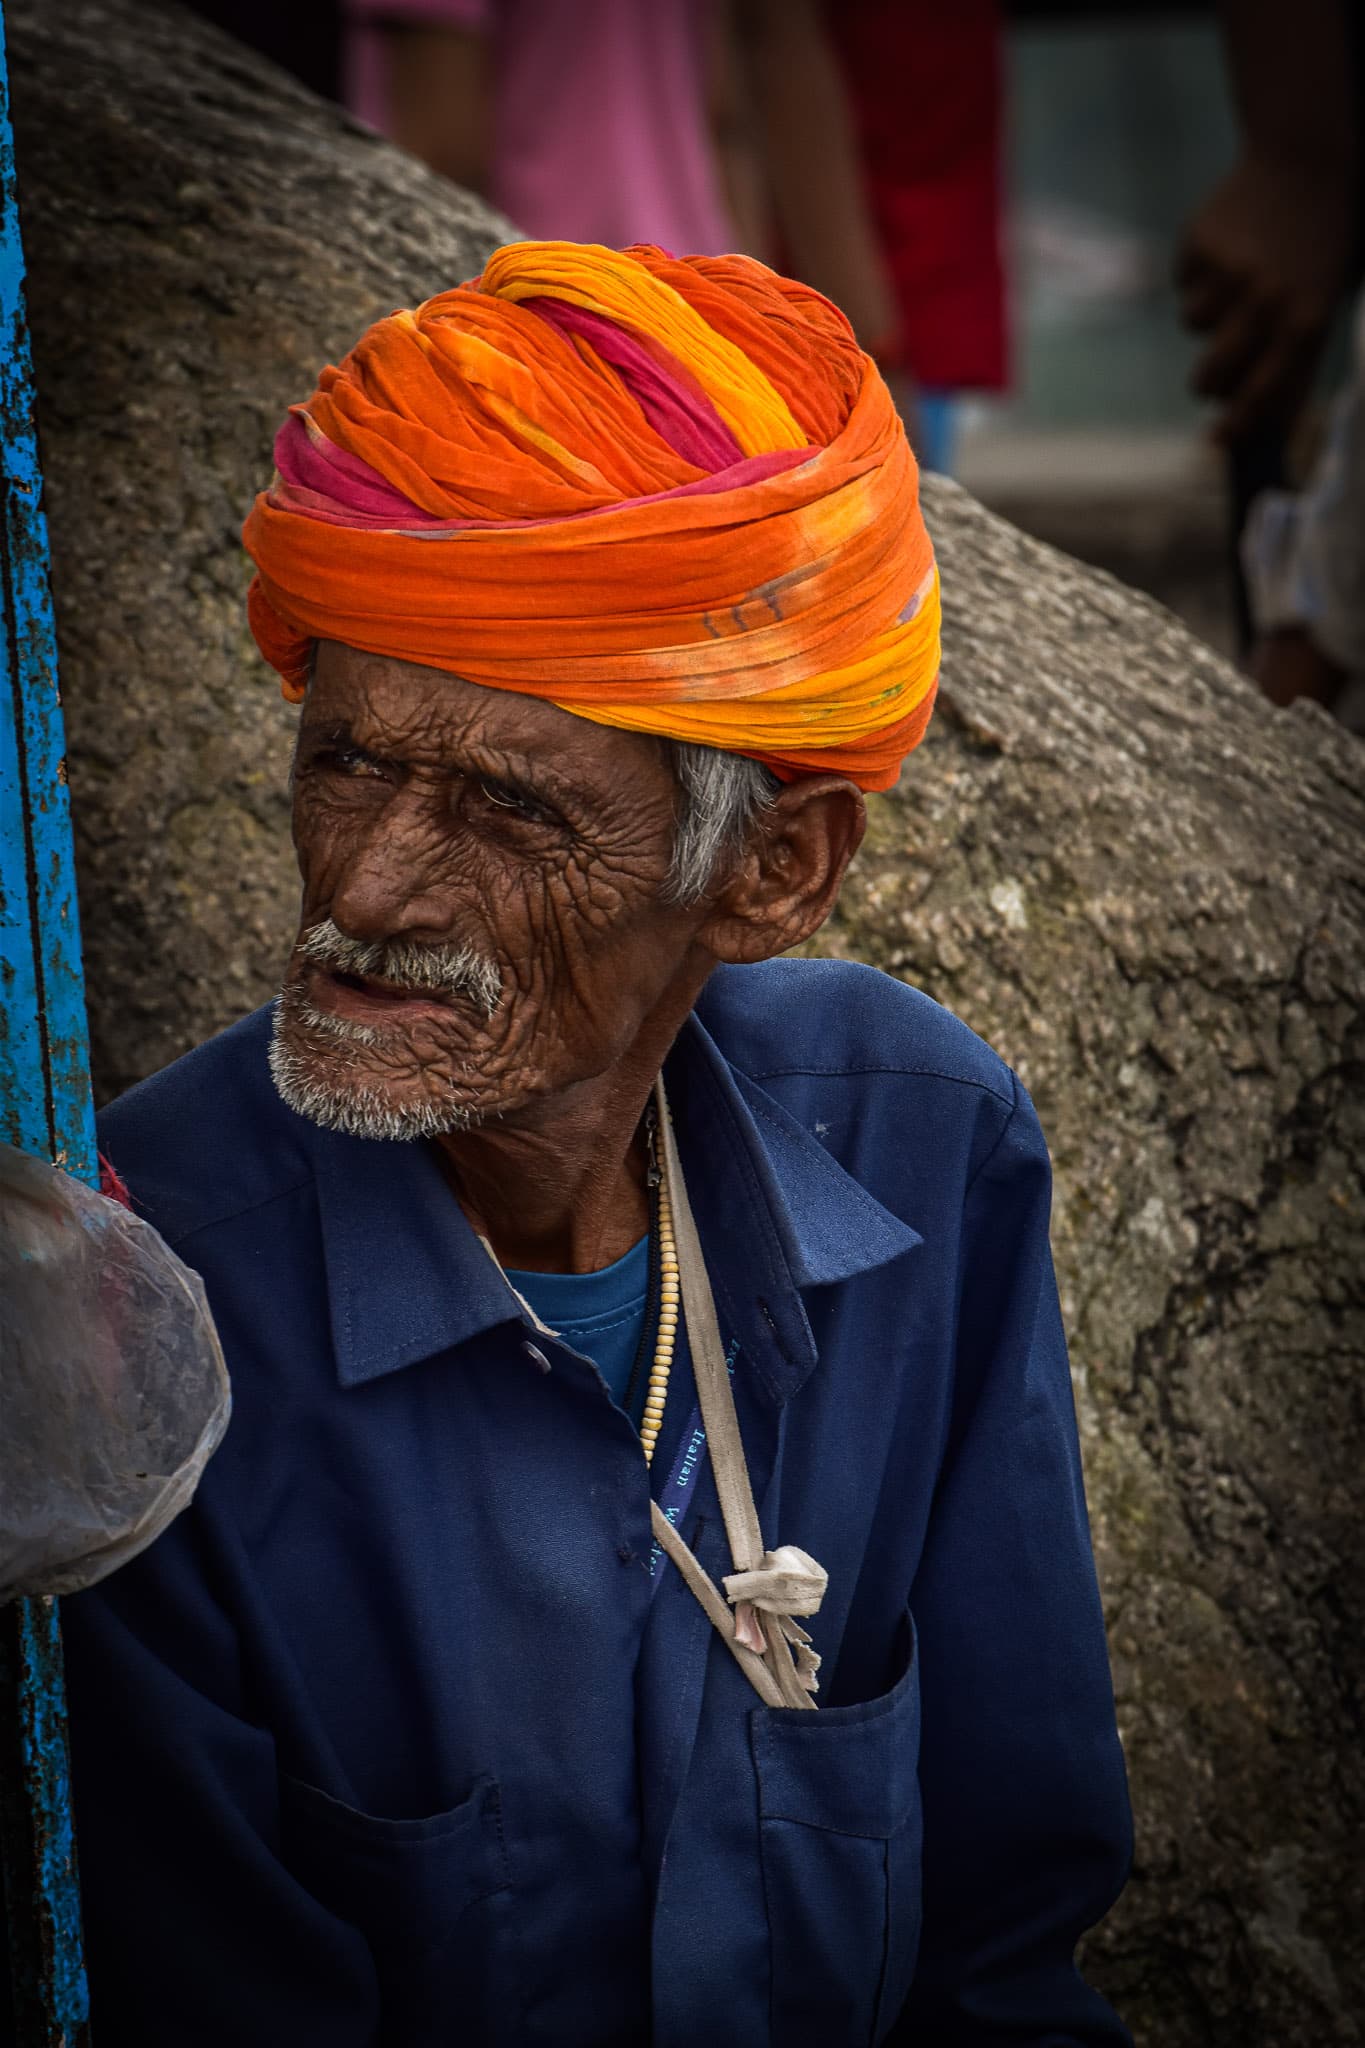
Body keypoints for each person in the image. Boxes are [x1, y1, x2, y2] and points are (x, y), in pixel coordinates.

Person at [57, 243, 1131, 2045]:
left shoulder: (927, 1150)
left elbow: (1006, 1940)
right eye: (344, 765)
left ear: (770, 869)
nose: (366, 889)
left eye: (502, 808)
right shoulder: (140, 1303)